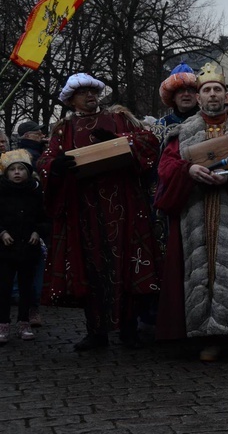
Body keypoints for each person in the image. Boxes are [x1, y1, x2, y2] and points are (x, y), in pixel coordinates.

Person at [155, 62, 228, 364]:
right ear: (198, 98)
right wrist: (188, 169)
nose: (212, 95)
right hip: (195, 212)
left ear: (226, 94)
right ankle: (211, 337)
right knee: (200, 272)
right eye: (206, 90)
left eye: (217, 90)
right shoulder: (182, 133)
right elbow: (166, 168)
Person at [37, 73, 160, 351]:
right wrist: (54, 166)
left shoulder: (120, 119)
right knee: (92, 267)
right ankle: (96, 332)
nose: (90, 96)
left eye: (93, 91)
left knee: (127, 262)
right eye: (83, 93)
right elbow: (47, 159)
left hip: (124, 204)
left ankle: (128, 330)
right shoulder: (63, 128)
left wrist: (120, 139)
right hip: (84, 208)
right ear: (70, 100)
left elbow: (149, 142)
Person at [0, 150, 49, 343]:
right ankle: (3, 324)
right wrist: (1, 232)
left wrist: (38, 231)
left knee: (26, 287)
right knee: (3, 287)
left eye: (21, 168)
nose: (17, 173)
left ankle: (24, 321)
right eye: (13, 169)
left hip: (29, 246)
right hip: (5, 248)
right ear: (6, 172)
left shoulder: (35, 191)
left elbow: (44, 216)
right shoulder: (1, 191)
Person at [15, 120, 48, 327]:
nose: (42, 136)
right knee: (32, 265)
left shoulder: (39, 153)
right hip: (28, 222)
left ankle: (29, 305)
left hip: (34, 222)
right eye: (38, 134)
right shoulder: (30, 157)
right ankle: (29, 305)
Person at [153, 62, 199, 142]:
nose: (186, 94)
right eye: (181, 90)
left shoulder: (208, 120)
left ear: (197, 95)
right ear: (173, 96)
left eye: (191, 90)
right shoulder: (161, 125)